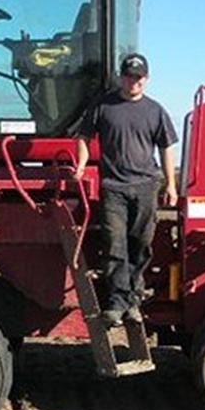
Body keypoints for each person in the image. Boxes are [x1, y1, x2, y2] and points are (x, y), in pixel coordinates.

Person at [74, 53, 179, 326]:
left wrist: (171, 184)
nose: (134, 81)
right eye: (129, 76)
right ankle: (117, 303)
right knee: (114, 244)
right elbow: (84, 136)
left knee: (140, 244)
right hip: (113, 187)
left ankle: (133, 302)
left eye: (139, 77)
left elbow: (166, 147)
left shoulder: (155, 111)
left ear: (146, 79)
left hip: (145, 185)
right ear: (121, 76)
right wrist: (83, 164)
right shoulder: (103, 106)